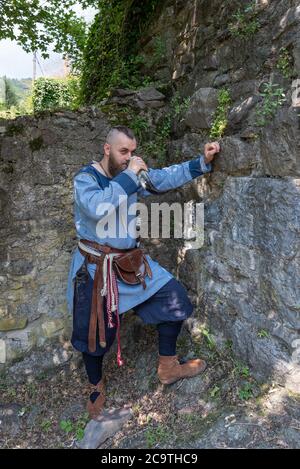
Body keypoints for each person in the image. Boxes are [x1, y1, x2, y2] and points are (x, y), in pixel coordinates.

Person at [66, 125, 220, 420]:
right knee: (93, 333)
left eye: (133, 152)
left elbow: (162, 179)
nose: (129, 157)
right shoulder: (86, 178)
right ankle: (95, 386)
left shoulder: (131, 176)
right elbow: (97, 207)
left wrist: (201, 162)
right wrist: (128, 175)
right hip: (96, 268)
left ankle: (169, 367)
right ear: (107, 148)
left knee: (174, 297)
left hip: (131, 263)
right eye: (124, 151)